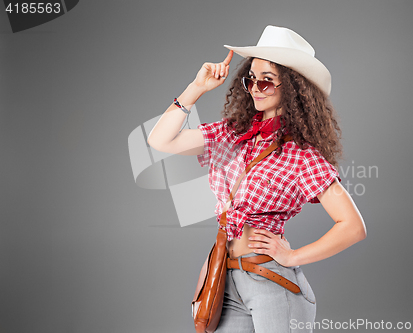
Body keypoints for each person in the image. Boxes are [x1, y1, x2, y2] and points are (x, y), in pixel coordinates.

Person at [147, 25, 366, 333]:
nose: (257, 88)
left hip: (272, 281)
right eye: (251, 79)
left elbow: (353, 226)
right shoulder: (232, 133)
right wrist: (196, 87)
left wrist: (292, 256)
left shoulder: (300, 155)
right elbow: (160, 141)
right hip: (227, 279)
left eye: (268, 80)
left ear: (291, 87)